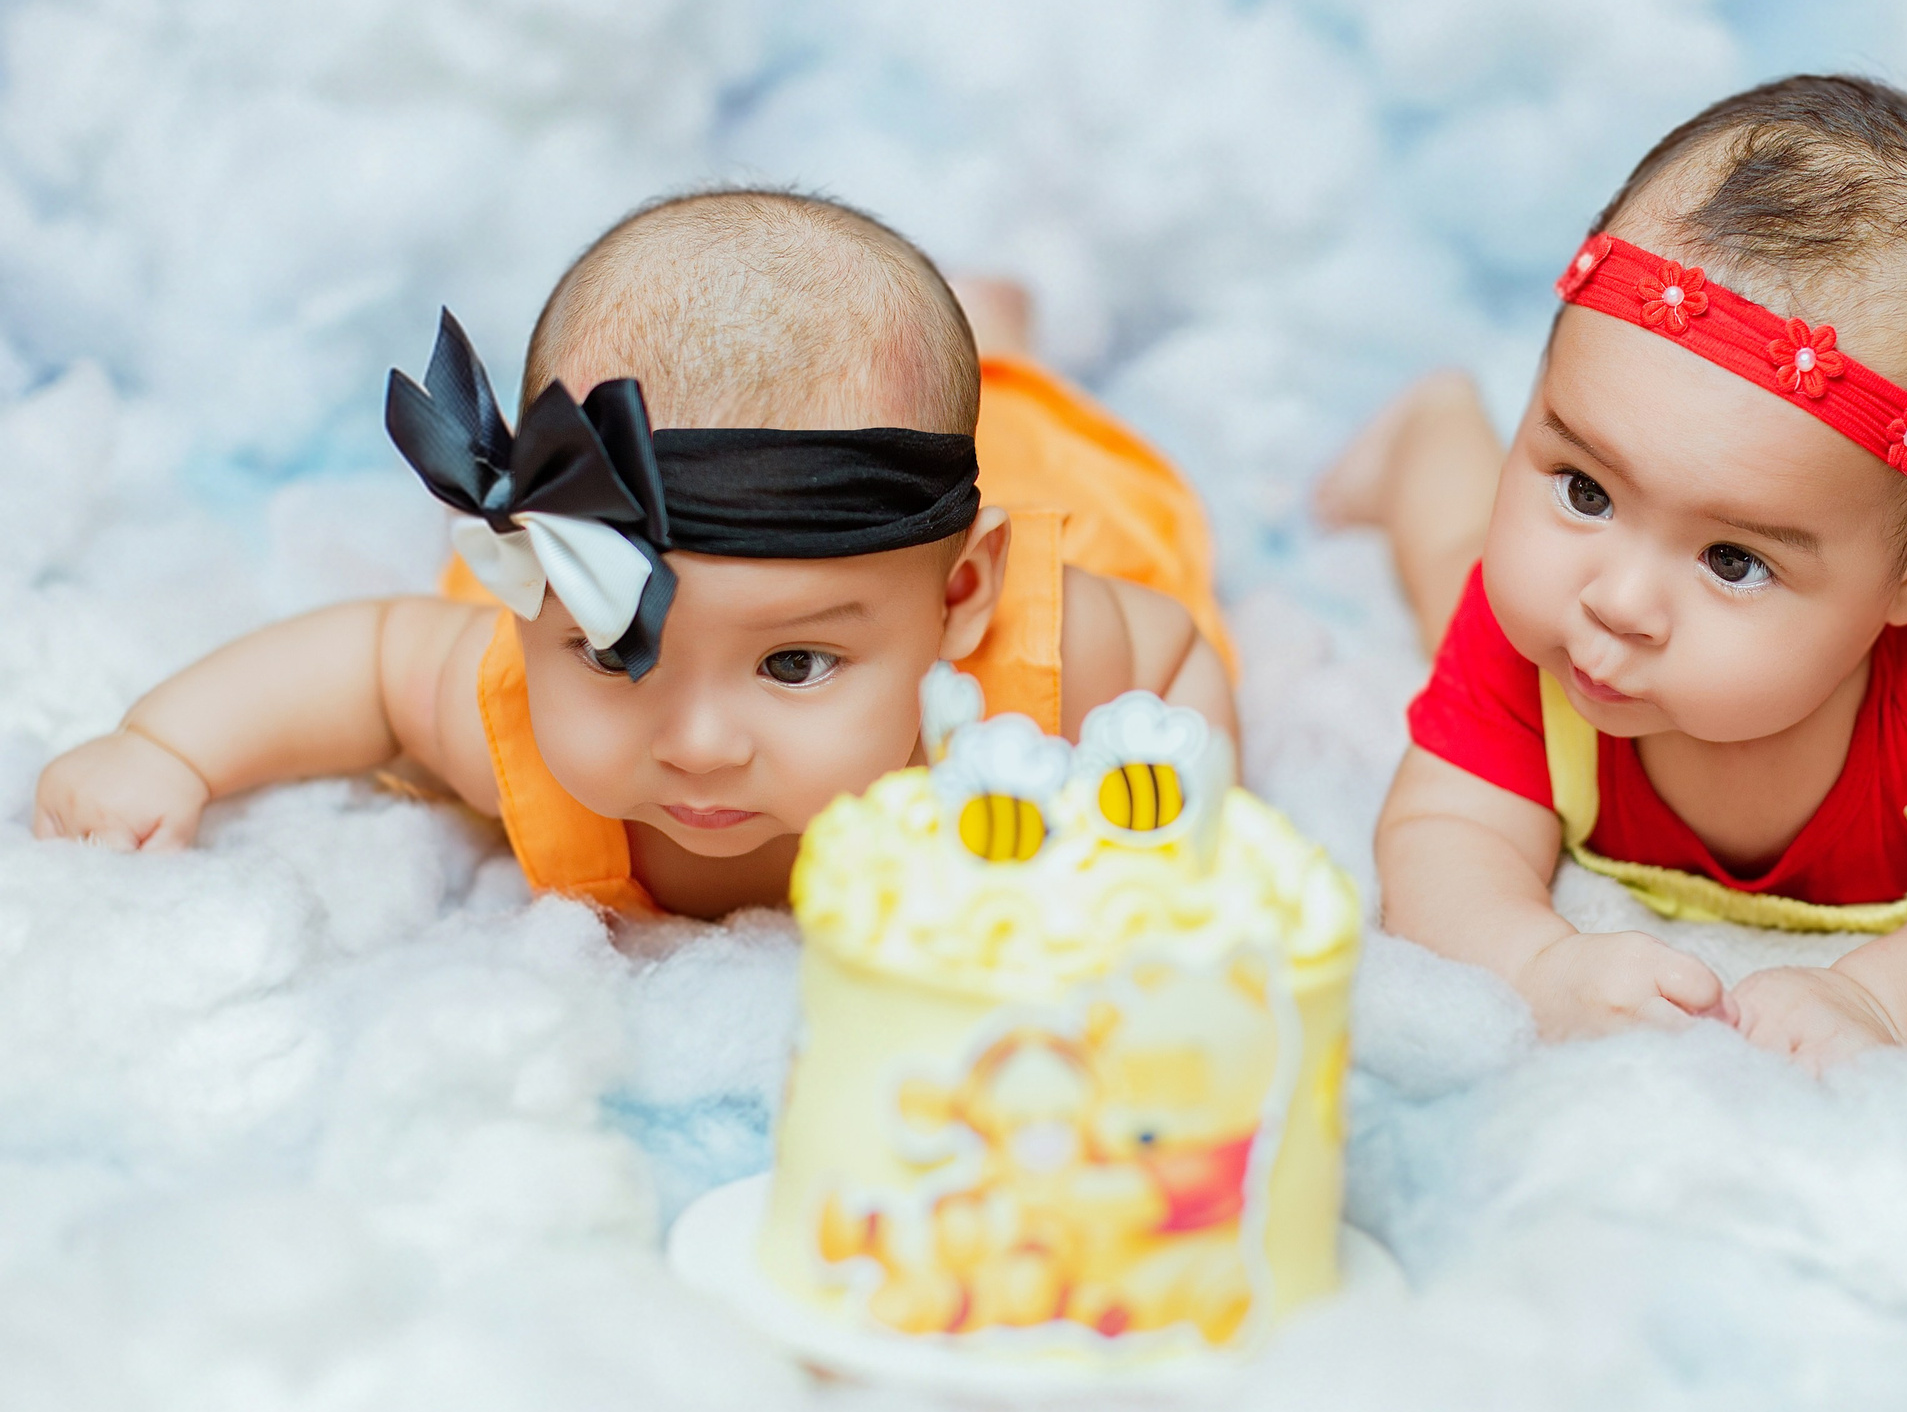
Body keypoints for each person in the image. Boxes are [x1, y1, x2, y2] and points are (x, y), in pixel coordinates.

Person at [34, 189, 1235, 920]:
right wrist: (166, 747)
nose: (698, 744)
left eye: (795, 664)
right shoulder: (510, 718)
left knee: (1017, 412)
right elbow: (372, 660)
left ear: (961, 598)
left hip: (1009, 487)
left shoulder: (1032, 678)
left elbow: (1175, 658)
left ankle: (998, 333)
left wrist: (1174, 835)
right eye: (617, 651)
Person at [1320, 75, 1907, 1065]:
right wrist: (1534, 966)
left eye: (1733, 560)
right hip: (1858, 504)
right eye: (1585, 489)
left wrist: (1885, 1004)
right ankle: (1431, 433)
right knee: (1456, 570)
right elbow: (1443, 829)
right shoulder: (1562, 617)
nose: (1617, 601)